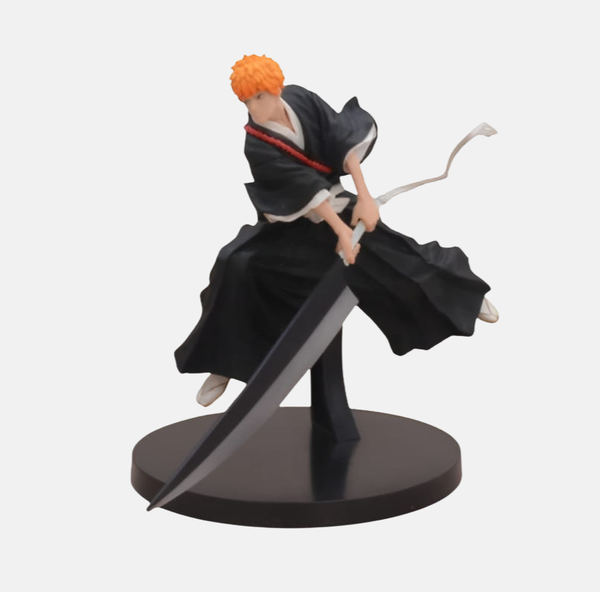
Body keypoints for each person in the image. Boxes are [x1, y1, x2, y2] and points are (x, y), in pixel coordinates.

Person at [175, 54, 498, 407]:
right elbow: (299, 187)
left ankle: (463, 298)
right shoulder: (256, 141)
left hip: (338, 203)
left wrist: (365, 198)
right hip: (288, 225)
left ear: (276, 89)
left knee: (395, 256)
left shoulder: (301, 99)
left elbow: (340, 138)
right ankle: (223, 363)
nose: (253, 108)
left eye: (259, 97)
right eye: (246, 101)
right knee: (235, 265)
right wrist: (342, 233)